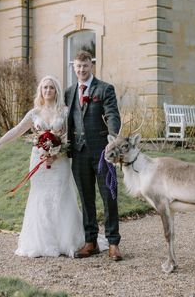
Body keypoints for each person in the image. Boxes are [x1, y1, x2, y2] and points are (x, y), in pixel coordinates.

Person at [0, 75, 85, 257]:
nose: (48, 91)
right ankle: (41, 243)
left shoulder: (64, 111)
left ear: (56, 90)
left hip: (60, 162)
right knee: (40, 197)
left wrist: (56, 154)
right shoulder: (34, 113)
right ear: (40, 91)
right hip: (38, 161)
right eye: (45, 87)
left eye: (51, 87)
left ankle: (66, 241)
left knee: (61, 196)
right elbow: (17, 130)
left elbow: (69, 137)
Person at [65, 50, 123, 261]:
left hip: (102, 153)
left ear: (92, 66)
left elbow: (112, 114)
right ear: (74, 68)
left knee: (109, 196)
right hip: (78, 153)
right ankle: (90, 242)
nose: (82, 70)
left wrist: (113, 137)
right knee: (86, 198)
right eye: (78, 66)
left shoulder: (105, 89)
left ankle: (113, 243)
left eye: (85, 66)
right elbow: (68, 120)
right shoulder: (69, 92)